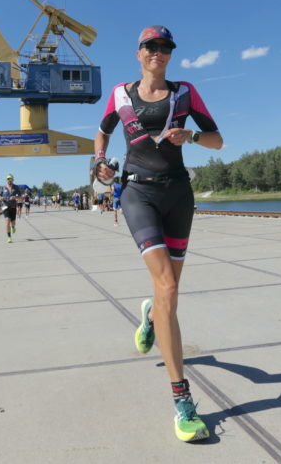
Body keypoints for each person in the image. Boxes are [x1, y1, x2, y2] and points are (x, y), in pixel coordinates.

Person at [93, 25, 223, 442]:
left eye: (165, 48)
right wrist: (99, 162)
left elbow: (217, 141)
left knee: (167, 297)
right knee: (167, 287)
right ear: (138, 53)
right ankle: (182, 401)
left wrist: (193, 135)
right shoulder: (119, 95)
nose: (159, 53)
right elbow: (102, 132)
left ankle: (149, 315)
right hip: (137, 193)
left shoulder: (186, 93)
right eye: (151, 46)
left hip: (178, 196)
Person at [0, 175, 20, 243]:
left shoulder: (16, 187)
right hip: (5, 206)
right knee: (7, 221)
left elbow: (20, 196)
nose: (9, 180)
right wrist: (0, 198)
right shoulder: (3, 188)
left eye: (10, 179)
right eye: (8, 179)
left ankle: (13, 227)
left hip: (13, 207)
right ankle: (9, 237)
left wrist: (15, 197)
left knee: (13, 223)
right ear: (6, 180)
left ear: (12, 179)